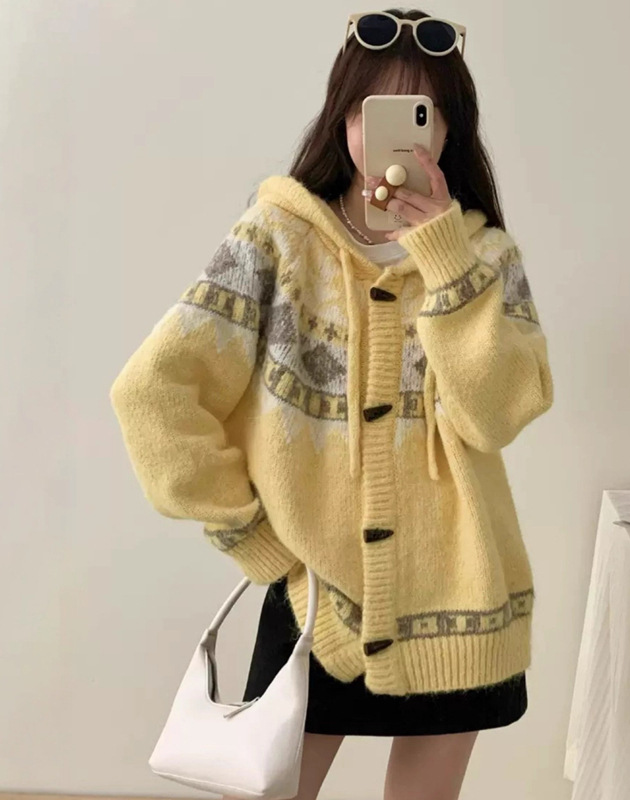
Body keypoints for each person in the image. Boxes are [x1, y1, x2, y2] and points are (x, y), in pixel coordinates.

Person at [109, 7, 554, 800]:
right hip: (313, 600)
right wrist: (258, 544)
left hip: (460, 603)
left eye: (423, 112)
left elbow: (494, 415)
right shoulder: (275, 239)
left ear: (450, 127)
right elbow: (153, 394)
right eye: (374, 110)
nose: (397, 135)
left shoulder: (484, 257)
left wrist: (443, 259)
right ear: (344, 116)